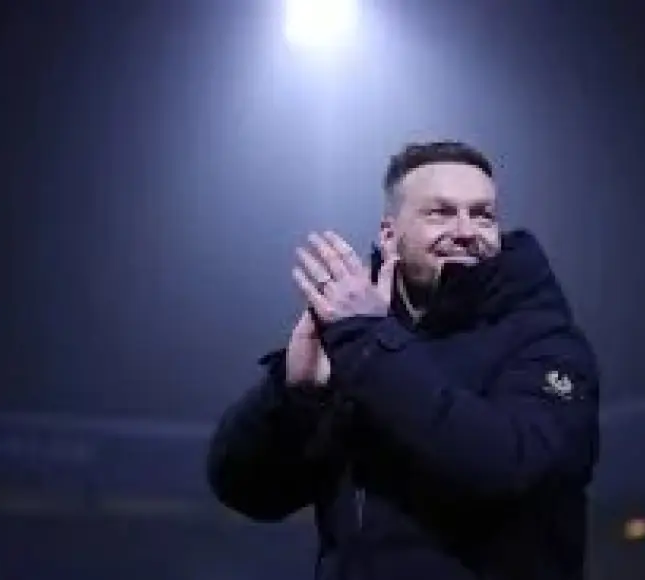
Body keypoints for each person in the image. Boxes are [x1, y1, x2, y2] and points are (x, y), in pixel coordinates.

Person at [206, 140, 600, 580]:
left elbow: (510, 467)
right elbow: (248, 491)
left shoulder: (545, 341)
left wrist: (370, 344)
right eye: (440, 213)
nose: (466, 230)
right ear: (389, 235)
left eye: (482, 214)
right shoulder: (358, 342)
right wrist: (295, 396)